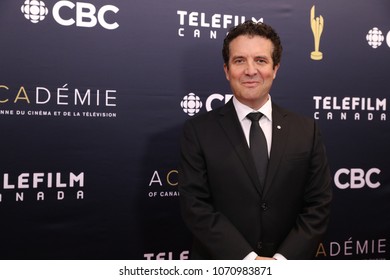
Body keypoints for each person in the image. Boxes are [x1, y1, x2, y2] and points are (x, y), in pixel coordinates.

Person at [178, 21, 332, 260]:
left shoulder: (306, 130)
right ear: (227, 70)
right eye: (240, 61)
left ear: (275, 68)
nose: (250, 70)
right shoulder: (198, 131)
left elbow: (318, 205)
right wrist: (250, 262)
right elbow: (196, 206)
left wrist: (280, 262)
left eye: (260, 60)